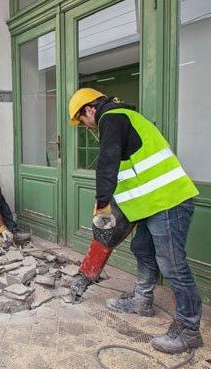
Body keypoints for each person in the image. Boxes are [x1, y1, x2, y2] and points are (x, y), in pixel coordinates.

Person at [69, 88, 202, 354]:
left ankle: (189, 330)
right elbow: (132, 172)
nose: (86, 127)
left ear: (90, 109)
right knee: (141, 249)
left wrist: (103, 205)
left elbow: (107, 164)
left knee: (173, 266)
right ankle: (142, 302)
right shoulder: (125, 118)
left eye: (82, 121)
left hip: (169, 202)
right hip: (152, 205)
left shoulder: (112, 118)